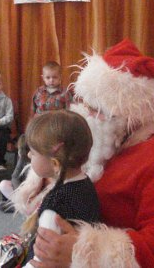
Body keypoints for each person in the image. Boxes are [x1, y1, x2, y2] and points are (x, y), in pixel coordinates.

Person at [11, 39, 154, 267]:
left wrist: (82, 252)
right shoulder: (114, 136)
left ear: (126, 112)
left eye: (94, 108)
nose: (85, 114)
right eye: (85, 104)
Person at [20, 110, 100, 266]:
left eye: (33, 153)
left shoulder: (55, 205)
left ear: (55, 164)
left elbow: (42, 257)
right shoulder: (85, 183)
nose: (28, 155)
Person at [0, 134, 29, 213]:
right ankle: (20, 205)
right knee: (3, 184)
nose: (19, 152)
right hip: (22, 189)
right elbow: (15, 177)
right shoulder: (22, 158)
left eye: (21, 150)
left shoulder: (38, 161)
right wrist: (18, 190)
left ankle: (18, 207)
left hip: (33, 191)